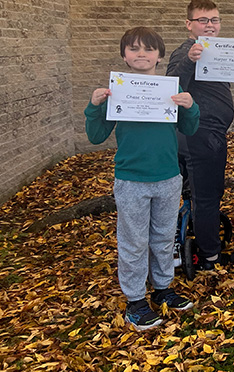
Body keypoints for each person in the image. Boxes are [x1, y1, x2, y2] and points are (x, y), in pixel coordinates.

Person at [85, 27, 200, 331]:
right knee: (134, 242)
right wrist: (94, 107)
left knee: (163, 238)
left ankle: (163, 288)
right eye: (134, 49)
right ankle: (135, 301)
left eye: (148, 49)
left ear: (159, 56)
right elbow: (96, 137)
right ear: (124, 55)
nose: (141, 55)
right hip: (132, 180)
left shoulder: (169, 90)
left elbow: (188, 129)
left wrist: (190, 107)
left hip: (168, 177)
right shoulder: (118, 91)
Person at [166, 0, 234, 270]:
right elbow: (172, 83)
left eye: (214, 20)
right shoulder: (186, 50)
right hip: (199, 135)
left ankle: (197, 238)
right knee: (206, 197)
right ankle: (210, 255)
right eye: (203, 20)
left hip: (210, 135)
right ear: (189, 24)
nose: (210, 25)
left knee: (200, 194)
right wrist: (188, 59)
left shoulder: (216, 50)